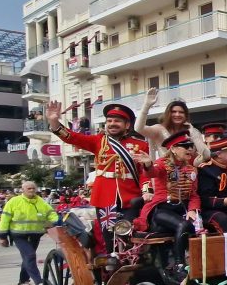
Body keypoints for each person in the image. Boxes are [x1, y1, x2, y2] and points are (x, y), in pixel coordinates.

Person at [46, 100, 150, 253]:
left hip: (131, 198)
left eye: (117, 121)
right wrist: (55, 122)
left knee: (129, 233)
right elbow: (72, 137)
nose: (112, 123)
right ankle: (110, 269)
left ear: (127, 125)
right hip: (105, 197)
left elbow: (144, 173)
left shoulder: (140, 145)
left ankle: (131, 265)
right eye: (109, 121)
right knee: (108, 236)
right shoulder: (98, 141)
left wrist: (147, 190)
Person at [135, 132, 201, 281]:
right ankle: (178, 265)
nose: (190, 149)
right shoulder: (161, 164)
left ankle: (199, 263)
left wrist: (192, 210)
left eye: (191, 146)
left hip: (181, 209)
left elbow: (194, 195)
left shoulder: (191, 169)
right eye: (185, 146)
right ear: (173, 149)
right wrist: (147, 164)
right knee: (183, 225)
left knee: (200, 228)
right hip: (161, 209)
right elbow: (153, 172)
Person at [0, 181, 59, 285]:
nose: (31, 190)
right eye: (29, 189)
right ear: (23, 190)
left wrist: (56, 222)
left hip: (36, 234)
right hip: (18, 234)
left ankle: (23, 281)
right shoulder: (14, 202)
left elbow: (51, 214)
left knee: (27, 258)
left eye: (33, 188)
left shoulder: (41, 202)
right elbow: (5, 219)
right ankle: (39, 282)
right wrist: (2, 236)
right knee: (30, 256)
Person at [136, 88, 208, 165]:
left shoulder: (193, 132)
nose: (177, 114)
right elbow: (139, 128)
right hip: (165, 173)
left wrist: (192, 132)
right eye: (173, 112)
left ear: (186, 115)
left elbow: (206, 155)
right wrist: (146, 105)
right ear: (168, 114)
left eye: (181, 112)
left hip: (188, 174)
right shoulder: (159, 129)